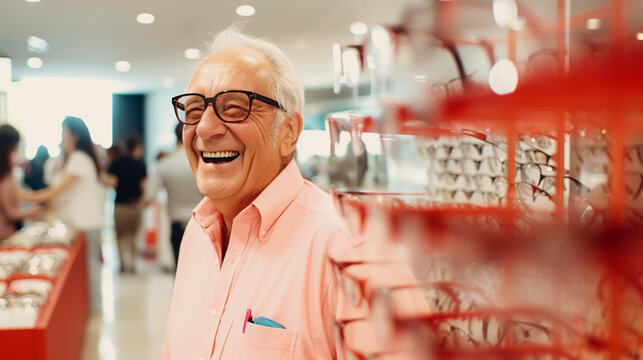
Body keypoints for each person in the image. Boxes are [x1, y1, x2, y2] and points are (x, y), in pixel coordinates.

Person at [162, 28, 364, 359]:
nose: (205, 128)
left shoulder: (347, 247)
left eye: (235, 107)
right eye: (194, 110)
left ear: (288, 132)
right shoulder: (196, 235)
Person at [18, 116, 105, 313]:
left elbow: (56, 191)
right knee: (84, 269)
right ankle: (88, 307)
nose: (61, 136)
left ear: (74, 135)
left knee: (89, 268)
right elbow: (59, 195)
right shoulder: (70, 160)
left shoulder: (80, 159)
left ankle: (93, 307)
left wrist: (22, 196)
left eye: (63, 132)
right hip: (76, 223)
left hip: (86, 223)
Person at [145, 123, 202, 269]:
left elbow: (150, 195)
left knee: (180, 269)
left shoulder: (164, 164)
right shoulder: (203, 161)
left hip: (177, 223)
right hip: (204, 223)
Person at [107, 134, 147, 273]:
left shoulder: (117, 163)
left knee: (120, 236)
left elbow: (112, 183)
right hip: (135, 205)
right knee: (134, 235)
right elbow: (144, 187)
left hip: (120, 205)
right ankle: (133, 263)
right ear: (137, 147)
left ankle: (123, 263)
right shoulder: (141, 165)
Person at [0, 124, 40, 240]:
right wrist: (31, 212)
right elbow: (10, 212)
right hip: (5, 234)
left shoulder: (6, 173)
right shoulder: (5, 176)